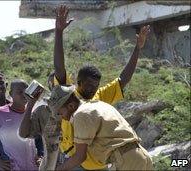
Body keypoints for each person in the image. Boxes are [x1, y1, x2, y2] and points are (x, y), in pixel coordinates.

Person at [53, 5, 150, 169]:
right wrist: (59, 32)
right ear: (79, 83)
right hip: (75, 161)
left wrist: (137, 48)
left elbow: (123, 79)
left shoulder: (98, 100)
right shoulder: (69, 97)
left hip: (97, 162)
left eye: (96, 85)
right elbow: (60, 69)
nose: (93, 89)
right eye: (89, 85)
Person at [48, 85, 153, 170]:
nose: (62, 118)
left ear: (71, 106)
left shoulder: (81, 115)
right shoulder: (97, 105)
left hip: (126, 161)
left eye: (60, 113)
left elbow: (80, 156)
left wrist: (58, 169)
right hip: (140, 156)